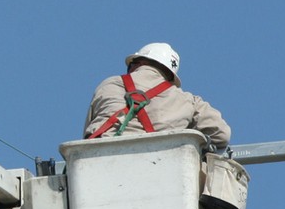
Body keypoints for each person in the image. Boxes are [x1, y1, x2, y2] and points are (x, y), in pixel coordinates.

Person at [84, 42, 231, 150]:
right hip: (158, 168)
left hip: (100, 158)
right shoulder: (188, 100)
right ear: (169, 76)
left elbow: (88, 133)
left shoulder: (109, 84)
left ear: (139, 63)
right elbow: (222, 135)